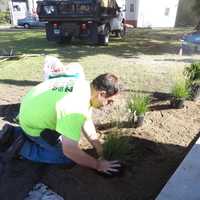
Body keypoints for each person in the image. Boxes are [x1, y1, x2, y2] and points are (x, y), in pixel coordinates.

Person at [0, 73, 120, 174]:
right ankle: (19, 145)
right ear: (102, 94)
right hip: (32, 124)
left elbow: (86, 119)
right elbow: (70, 151)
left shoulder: (85, 87)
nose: (109, 104)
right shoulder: (76, 108)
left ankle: (20, 133)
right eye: (109, 101)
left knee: (68, 141)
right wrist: (98, 165)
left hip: (32, 109)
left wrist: (98, 147)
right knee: (66, 158)